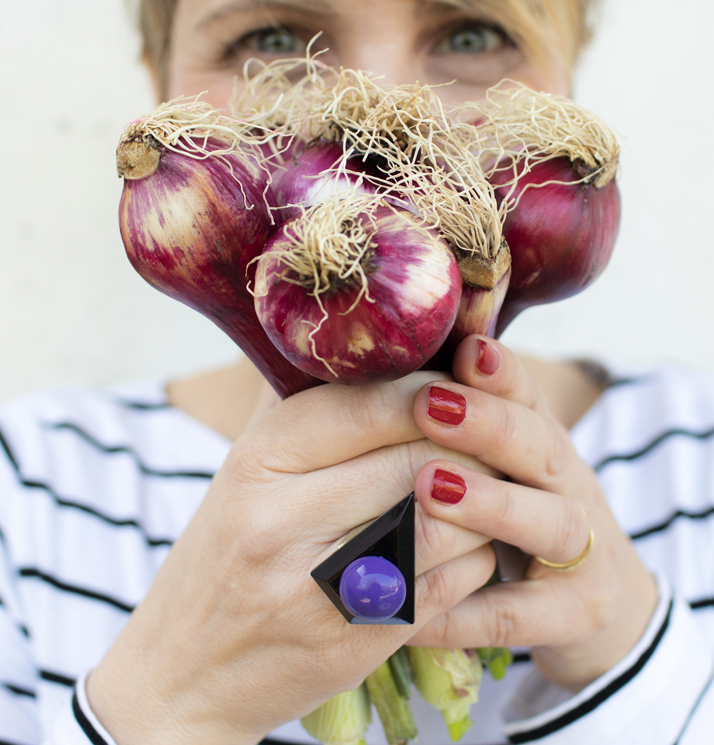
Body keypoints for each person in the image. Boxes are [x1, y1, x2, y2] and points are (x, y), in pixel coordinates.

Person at [1, 1, 713, 744]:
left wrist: (634, 660)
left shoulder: (698, 459)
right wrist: (167, 703)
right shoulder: (26, 491)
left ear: (570, 77)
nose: (376, 103)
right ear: (160, 92)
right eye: (271, 42)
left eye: (472, 36)